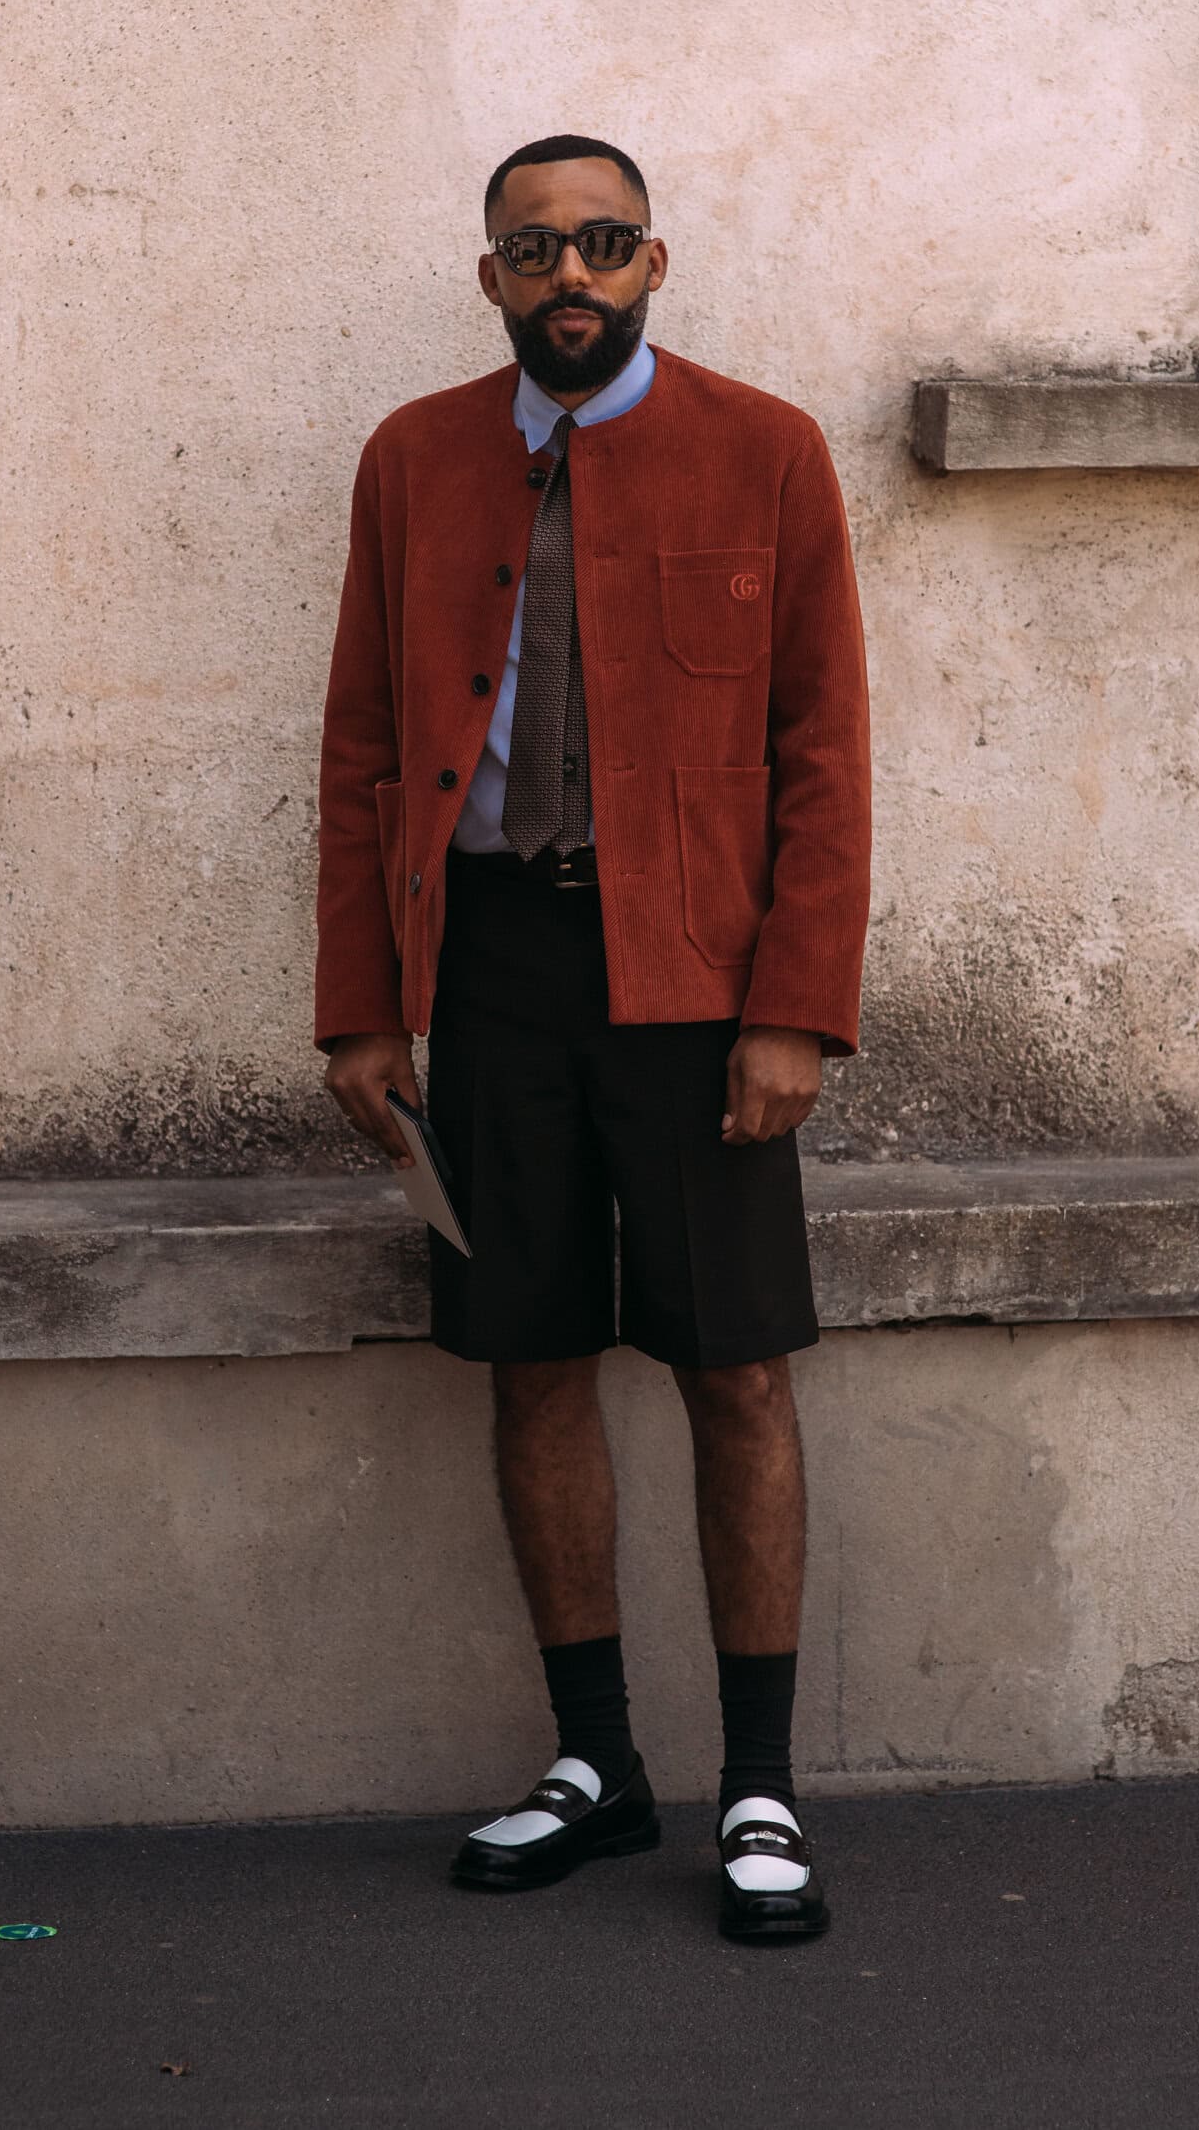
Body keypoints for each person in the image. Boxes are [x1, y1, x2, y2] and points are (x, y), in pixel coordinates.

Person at [314, 134, 870, 1942]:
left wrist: (795, 1009)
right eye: (537, 246)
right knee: (529, 1356)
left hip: (700, 980)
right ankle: (596, 1762)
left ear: (655, 264)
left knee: (738, 1367)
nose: (573, 273)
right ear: (491, 274)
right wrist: (361, 1006)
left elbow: (824, 752)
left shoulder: (766, 450)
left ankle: (761, 1785)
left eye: (605, 242)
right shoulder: (413, 458)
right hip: (489, 970)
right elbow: (361, 744)